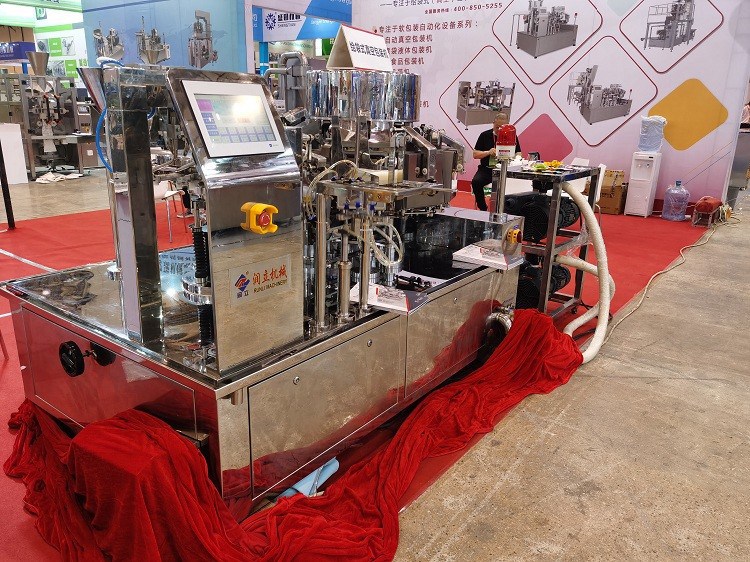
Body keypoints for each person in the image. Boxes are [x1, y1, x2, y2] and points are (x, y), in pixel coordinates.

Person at [471, 114, 522, 211]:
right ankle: (483, 208)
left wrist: (513, 158)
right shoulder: (484, 135)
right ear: (493, 123)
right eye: (497, 127)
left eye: (501, 128)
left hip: (504, 170)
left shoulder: (512, 136)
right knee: (476, 182)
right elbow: (475, 154)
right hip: (487, 169)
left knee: (514, 185)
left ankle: (506, 209)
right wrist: (488, 152)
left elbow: (518, 153)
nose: (499, 130)